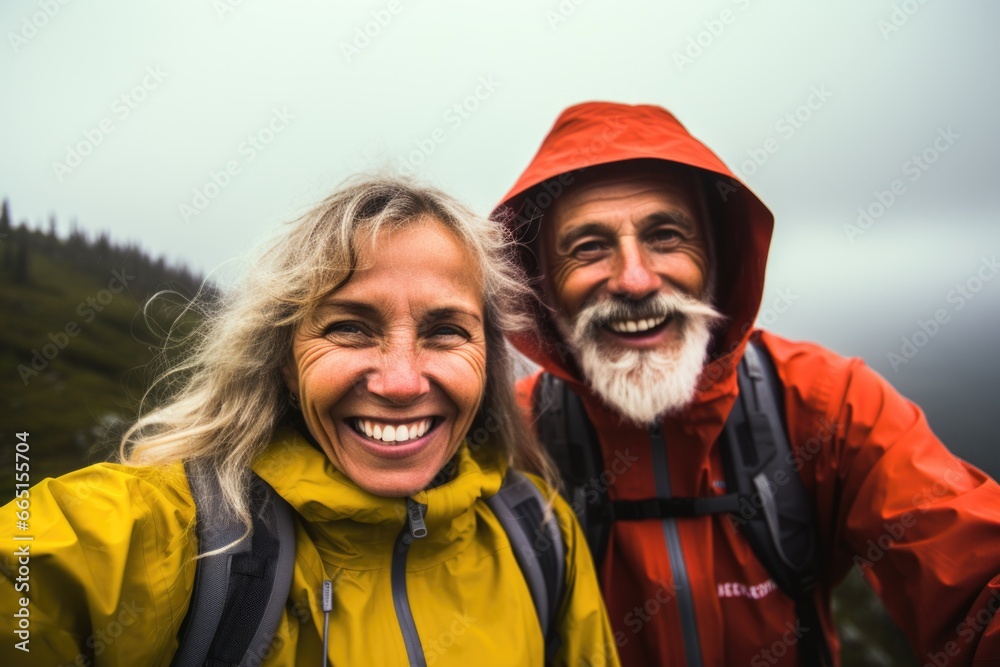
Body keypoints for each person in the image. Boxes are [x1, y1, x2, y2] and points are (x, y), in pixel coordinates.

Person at [0, 177, 620, 665]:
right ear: (284, 360)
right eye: (349, 328)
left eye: (445, 331)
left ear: (488, 357)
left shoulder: (539, 534)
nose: (401, 382)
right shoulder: (168, 532)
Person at [491, 101, 1000, 666]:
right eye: (588, 248)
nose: (634, 280)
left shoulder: (826, 404)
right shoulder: (512, 441)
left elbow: (969, 569)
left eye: (665, 236)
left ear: (718, 258)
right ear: (539, 283)